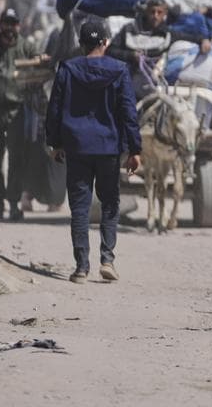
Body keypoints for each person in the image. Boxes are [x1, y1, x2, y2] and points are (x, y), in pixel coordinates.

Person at [45, 20, 141, 284]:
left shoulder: (67, 69)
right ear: (106, 43)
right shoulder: (120, 70)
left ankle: (81, 268)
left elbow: (54, 110)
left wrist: (55, 143)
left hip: (77, 147)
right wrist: (135, 149)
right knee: (110, 204)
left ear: (81, 43)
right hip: (109, 148)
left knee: (79, 207)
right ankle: (107, 259)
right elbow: (128, 112)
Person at [0, 8, 45, 221]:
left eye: (13, 24)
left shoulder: (26, 46)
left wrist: (42, 59)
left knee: (17, 158)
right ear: (0, 25)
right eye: (6, 23)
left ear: (18, 27)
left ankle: (14, 203)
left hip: (17, 110)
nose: (10, 29)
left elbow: (41, 62)